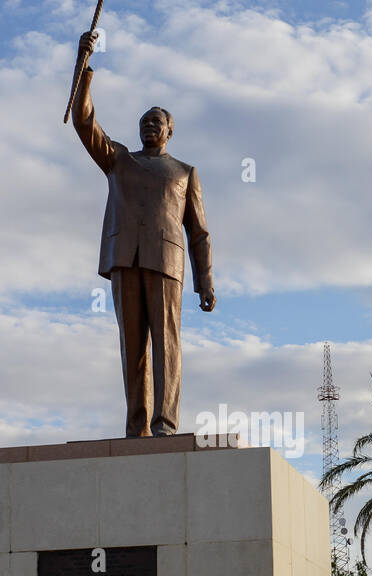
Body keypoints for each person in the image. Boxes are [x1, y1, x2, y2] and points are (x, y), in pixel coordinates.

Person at [71, 30, 217, 438]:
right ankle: (137, 428)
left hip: (166, 261)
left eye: (157, 121)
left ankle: (165, 424)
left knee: (166, 345)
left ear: (170, 129)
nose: (149, 125)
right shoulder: (119, 159)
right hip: (124, 258)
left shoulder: (185, 172)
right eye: (144, 121)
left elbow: (200, 232)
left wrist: (205, 282)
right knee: (132, 348)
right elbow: (84, 122)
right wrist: (84, 68)